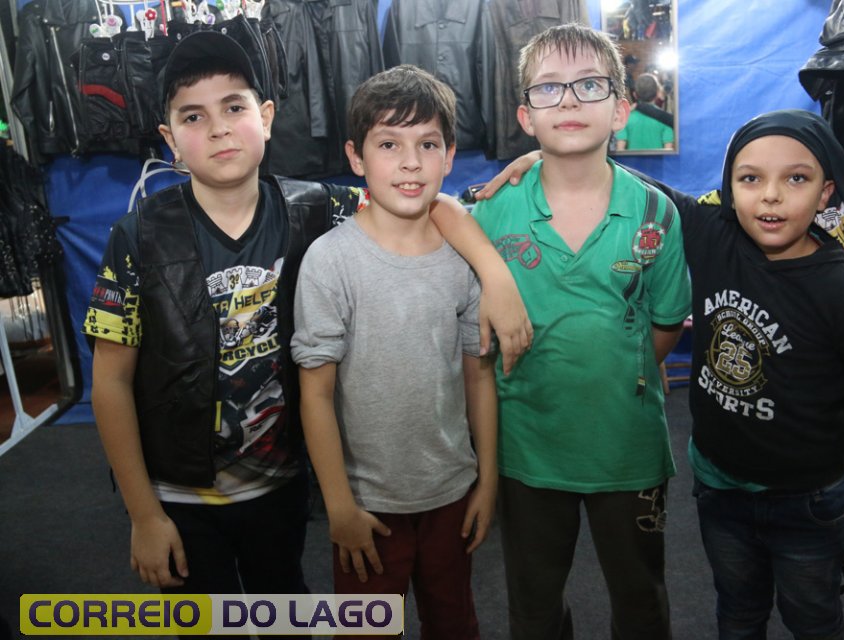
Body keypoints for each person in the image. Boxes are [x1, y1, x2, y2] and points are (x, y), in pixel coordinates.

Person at [82, 31, 529, 604]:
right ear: (170, 139)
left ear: (266, 117)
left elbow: (424, 200)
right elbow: (110, 382)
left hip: (280, 485)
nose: (218, 129)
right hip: (181, 493)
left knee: (283, 606)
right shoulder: (138, 235)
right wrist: (144, 514)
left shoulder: (319, 208)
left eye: (234, 107)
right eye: (194, 116)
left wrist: (498, 263)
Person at [480, 109, 844, 639]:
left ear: (826, 192)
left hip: (804, 496)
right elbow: (644, 188)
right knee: (737, 612)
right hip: (720, 485)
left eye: (796, 179)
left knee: (813, 617)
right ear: (728, 189)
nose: (771, 196)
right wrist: (552, 158)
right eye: (750, 178)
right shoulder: (714, 235)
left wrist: (823, 422)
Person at [472, 23, 692, 640]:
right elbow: (427, 211)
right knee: (533, 605)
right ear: (526, 116)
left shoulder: (656, 213)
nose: (568, 100)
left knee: (642, 600)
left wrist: (623, 368)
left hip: (628, 450)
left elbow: (665, 326)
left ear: (621, 109)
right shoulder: (492, 209)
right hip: (528, 450)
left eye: (589, 85)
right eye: (549, 88)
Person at [291, 65, 496, 639]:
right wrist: (338, 506)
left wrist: (488, 481)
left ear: (449, 156)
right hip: (366, 503)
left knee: (455, 623)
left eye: (427, 145)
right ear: (356, 157)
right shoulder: (330, 261)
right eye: (389, 144)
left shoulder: (464, 258)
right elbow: (316, 395)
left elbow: (479, 378)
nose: (410, 163)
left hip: (451, 493)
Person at [616, 72, 674, 151]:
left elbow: (620, 149)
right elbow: (668, 150)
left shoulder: (625, 120)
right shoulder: (665, 121)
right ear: (657, 93)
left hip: (631, 160)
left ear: (635, 95)